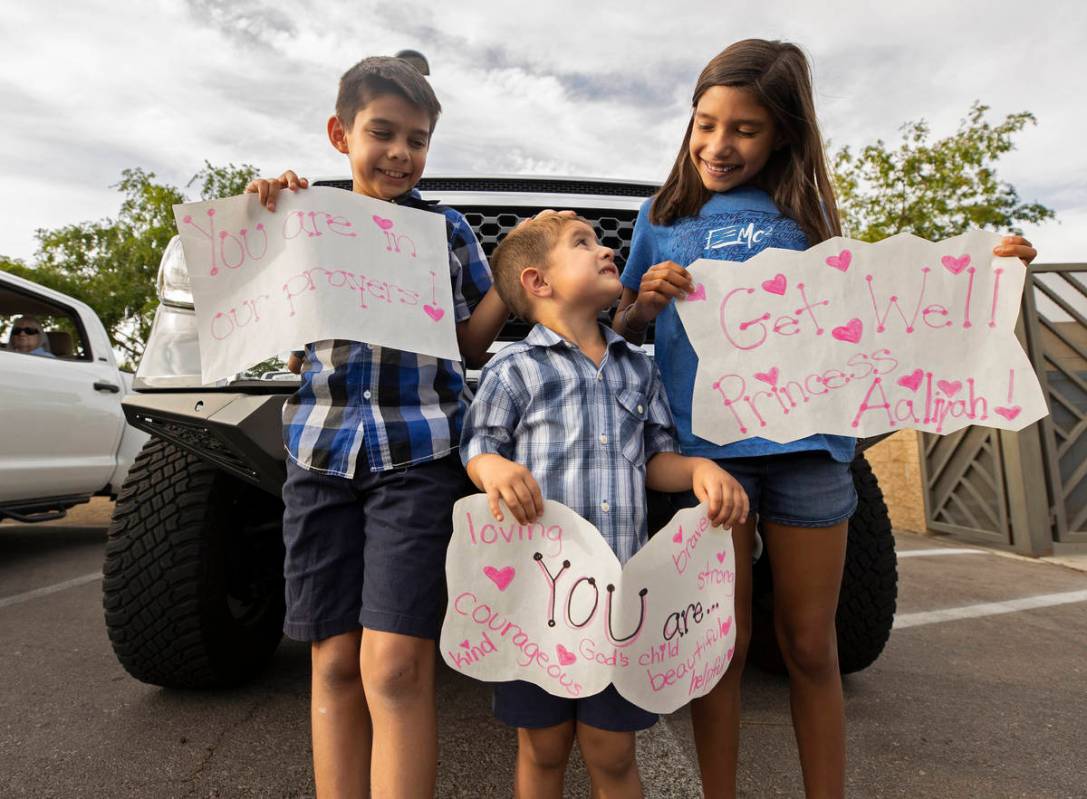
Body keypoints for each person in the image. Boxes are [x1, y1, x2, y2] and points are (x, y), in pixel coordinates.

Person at [610, 39, 1039, 798]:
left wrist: (986, 269)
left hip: (810, 451)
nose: (716, 144)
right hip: (712, 455)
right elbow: (628, 329)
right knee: (722, 643)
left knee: (811, 644)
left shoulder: (807, 217)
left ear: (782, 132)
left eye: (742, 129)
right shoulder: (662, 214)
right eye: (704, 123)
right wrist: (643, 300)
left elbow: (886, 304)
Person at [245, 56, 508, 797]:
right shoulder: (303, 223)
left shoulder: (446, 231)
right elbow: (274, 320)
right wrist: (262, 215)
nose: (399, 152)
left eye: (417, 139)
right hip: (320, 452)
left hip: (419, 450)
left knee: (395, 662)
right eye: (382, 132)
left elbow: (470, 345)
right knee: (330, 660)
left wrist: (512, 281)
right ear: (340, 133)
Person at [460, 212, 749, 798]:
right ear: (539, 283)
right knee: (541, 749)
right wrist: (493, 468)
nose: (606, 248)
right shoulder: (513, 368)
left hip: (617, 603)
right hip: (535, 603)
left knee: (612, 752)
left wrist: (698, 469)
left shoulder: (637, 370)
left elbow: (656, 460)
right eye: (583, 243)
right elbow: (479, 444)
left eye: (601, 239)